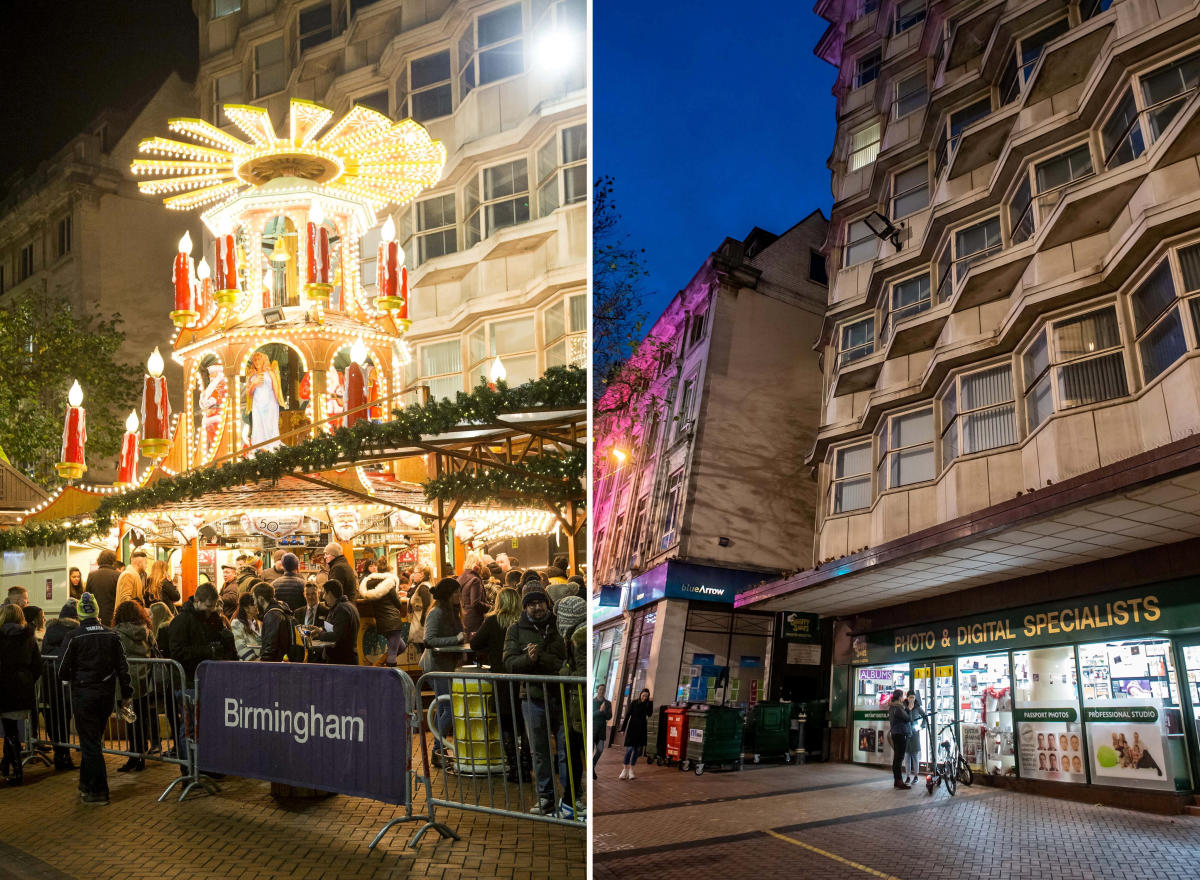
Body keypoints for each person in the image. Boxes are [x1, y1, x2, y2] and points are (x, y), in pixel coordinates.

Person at [58, 593, 133, 805]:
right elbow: (123, 667)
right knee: (93, 742)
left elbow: (61, 670)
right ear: (97, 611)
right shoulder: (111, 635)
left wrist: (73, 676)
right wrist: (126, 694)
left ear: (79, 613)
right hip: (105, 694)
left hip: (84, 694)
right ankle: (85, 784)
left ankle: (99, 791)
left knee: (90, 745)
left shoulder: (73, 636)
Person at [503, 586, 567, 815]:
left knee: (565, 749)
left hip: (560, 696)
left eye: (540, 602)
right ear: (525, 607)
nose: (537, 607)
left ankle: (570, 798)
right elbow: (509, 663)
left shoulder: (560, 625)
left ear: (547, 604)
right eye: (532, 604)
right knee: (539, 751)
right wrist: (528, 660)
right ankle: (546, 797)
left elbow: (564, 661)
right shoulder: (516, 629)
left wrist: (540, 657)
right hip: (532, 698)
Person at [470, 587, 528, 781]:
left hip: (502, 679)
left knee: (506, 724)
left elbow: (475, 643)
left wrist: (491, 647)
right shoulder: (524, 620)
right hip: (523, 678)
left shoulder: (493, 620)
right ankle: (526, 767)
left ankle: (514, 768)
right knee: (524, 724)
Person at [112, 601, 156, 773]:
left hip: (125, 684)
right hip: (144, 682)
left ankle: (134, 756)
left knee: (130, 720)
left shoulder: (117, 633)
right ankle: (140, 754)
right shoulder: (147, 631)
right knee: (141, 719)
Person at [422, 578, 467, 742]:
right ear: (448, 595)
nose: (459, 595)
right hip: (436, 667)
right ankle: (437, 747)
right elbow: (429, 640)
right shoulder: (436, 613)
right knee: (449, 707)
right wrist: (456, 639)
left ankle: (437, 750)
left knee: (443, 707)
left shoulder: (452, 612)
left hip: (446, 666)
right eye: (456, 592)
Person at [0, 604, 41, 785]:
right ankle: (5, 765)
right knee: (12, 730)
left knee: (10, 731)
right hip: (23, 687)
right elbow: (37, 665)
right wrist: (27, 680)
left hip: (3, 687)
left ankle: (17, 772)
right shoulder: (28, 637)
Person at [556, 595, 587, 818]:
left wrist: (564, 672)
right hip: (577, 707)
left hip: (579, 708)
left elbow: (583, 674)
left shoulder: (579, 637)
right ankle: (571, 800)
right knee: (574, 753)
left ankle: (571, 802)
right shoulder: (580, 634)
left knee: (574, 752)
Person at [40, 602, 80, 770]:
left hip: (48, 684)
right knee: (64, 719)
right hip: (65, 685)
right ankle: (64, 756)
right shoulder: (73, 633)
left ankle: (59, 752)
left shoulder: (50, 631)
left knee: (51, 718)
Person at [359, 557, 406, 667]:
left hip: (381, 621)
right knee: (392, 655)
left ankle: (378, 664)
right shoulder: (389, 584)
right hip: (393, 621)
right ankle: (389, 679)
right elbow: (398, 604)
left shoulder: (368, 584)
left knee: (402, 646)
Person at [310, 580, 360, 665]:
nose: (323, 597)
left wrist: (320, 634)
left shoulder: (341, 609)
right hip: (347, 659)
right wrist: (321, 629)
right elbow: (336, 629)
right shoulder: (348, 606)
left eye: (325, 593)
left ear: (330, 593)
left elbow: (336, 635)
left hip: (341, 661)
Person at [255, 583, 295, 663]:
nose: (254, 603)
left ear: (260, 599)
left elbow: (271, 646)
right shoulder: (281, 609)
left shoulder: (272, 615)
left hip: (275, 663)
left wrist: (262, 662)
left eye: (254, 599)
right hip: (284, 660)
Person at [457, 551, 488, 639]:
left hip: (463, 618)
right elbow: (475, 603)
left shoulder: (460, 578)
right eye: (481, 567)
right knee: (474, 646)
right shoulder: (475, 580)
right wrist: (491, 608)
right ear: (477, 566)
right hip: (474, 620)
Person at [87, 550, 120, 626]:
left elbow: (88, 596)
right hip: (111, 617)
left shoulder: (91, 575)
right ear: (113, 560)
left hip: (94, 616)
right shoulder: (117, 575)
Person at [888, 689, 911, 789]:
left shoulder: (892, 707)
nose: (903, 698)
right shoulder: (898, 708)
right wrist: (909, 709)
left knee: (896, 758)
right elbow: (907, 718)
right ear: (899, 697)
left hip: (895, 733)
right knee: (899, 758)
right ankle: (899, 781)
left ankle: (897, 781)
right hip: (900, 734)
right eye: (902, 696)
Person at [903, 691, 927, 786]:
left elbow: (925, 716)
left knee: (915, 755)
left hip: (915, 733)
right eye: (910, 697)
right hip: (906, 733)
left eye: (913, 697)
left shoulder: (917, 707)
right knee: (907, 755)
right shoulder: (904, 706)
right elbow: (902, 717)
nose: (912, 699)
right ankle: (908, 776)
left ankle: (916, 775)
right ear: (907, 697)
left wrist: (921, 726)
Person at [231, 594, 262, 660]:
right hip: (246, 664)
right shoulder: (236, 623)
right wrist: (253, 659)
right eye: (253, 604)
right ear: (245, 608)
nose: (256, 606)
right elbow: (239, 646)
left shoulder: (259, 623)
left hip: (261, 662)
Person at [593, 684, 612, 780]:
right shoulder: (592, 701)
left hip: (601, 730)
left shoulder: (608, 703)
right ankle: (591, 770)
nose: (601, 691)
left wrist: (603, 711)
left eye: (603, 690)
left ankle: (592, 766)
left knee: (600, 750)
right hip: (592, 729)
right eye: (600, 689)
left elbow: (609, 716)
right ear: (597, 690)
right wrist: (599, 711)